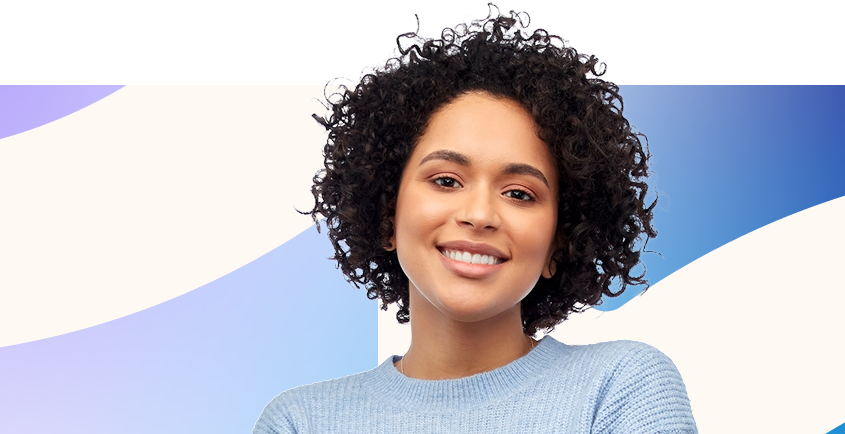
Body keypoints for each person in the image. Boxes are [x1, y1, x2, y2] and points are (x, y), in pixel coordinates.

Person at [254, 2, 697, 432]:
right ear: (387, 211)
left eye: (520, 193)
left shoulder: (621, 387)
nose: (480, 214)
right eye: (446, 181)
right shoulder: (302, 421)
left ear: (559, 243)